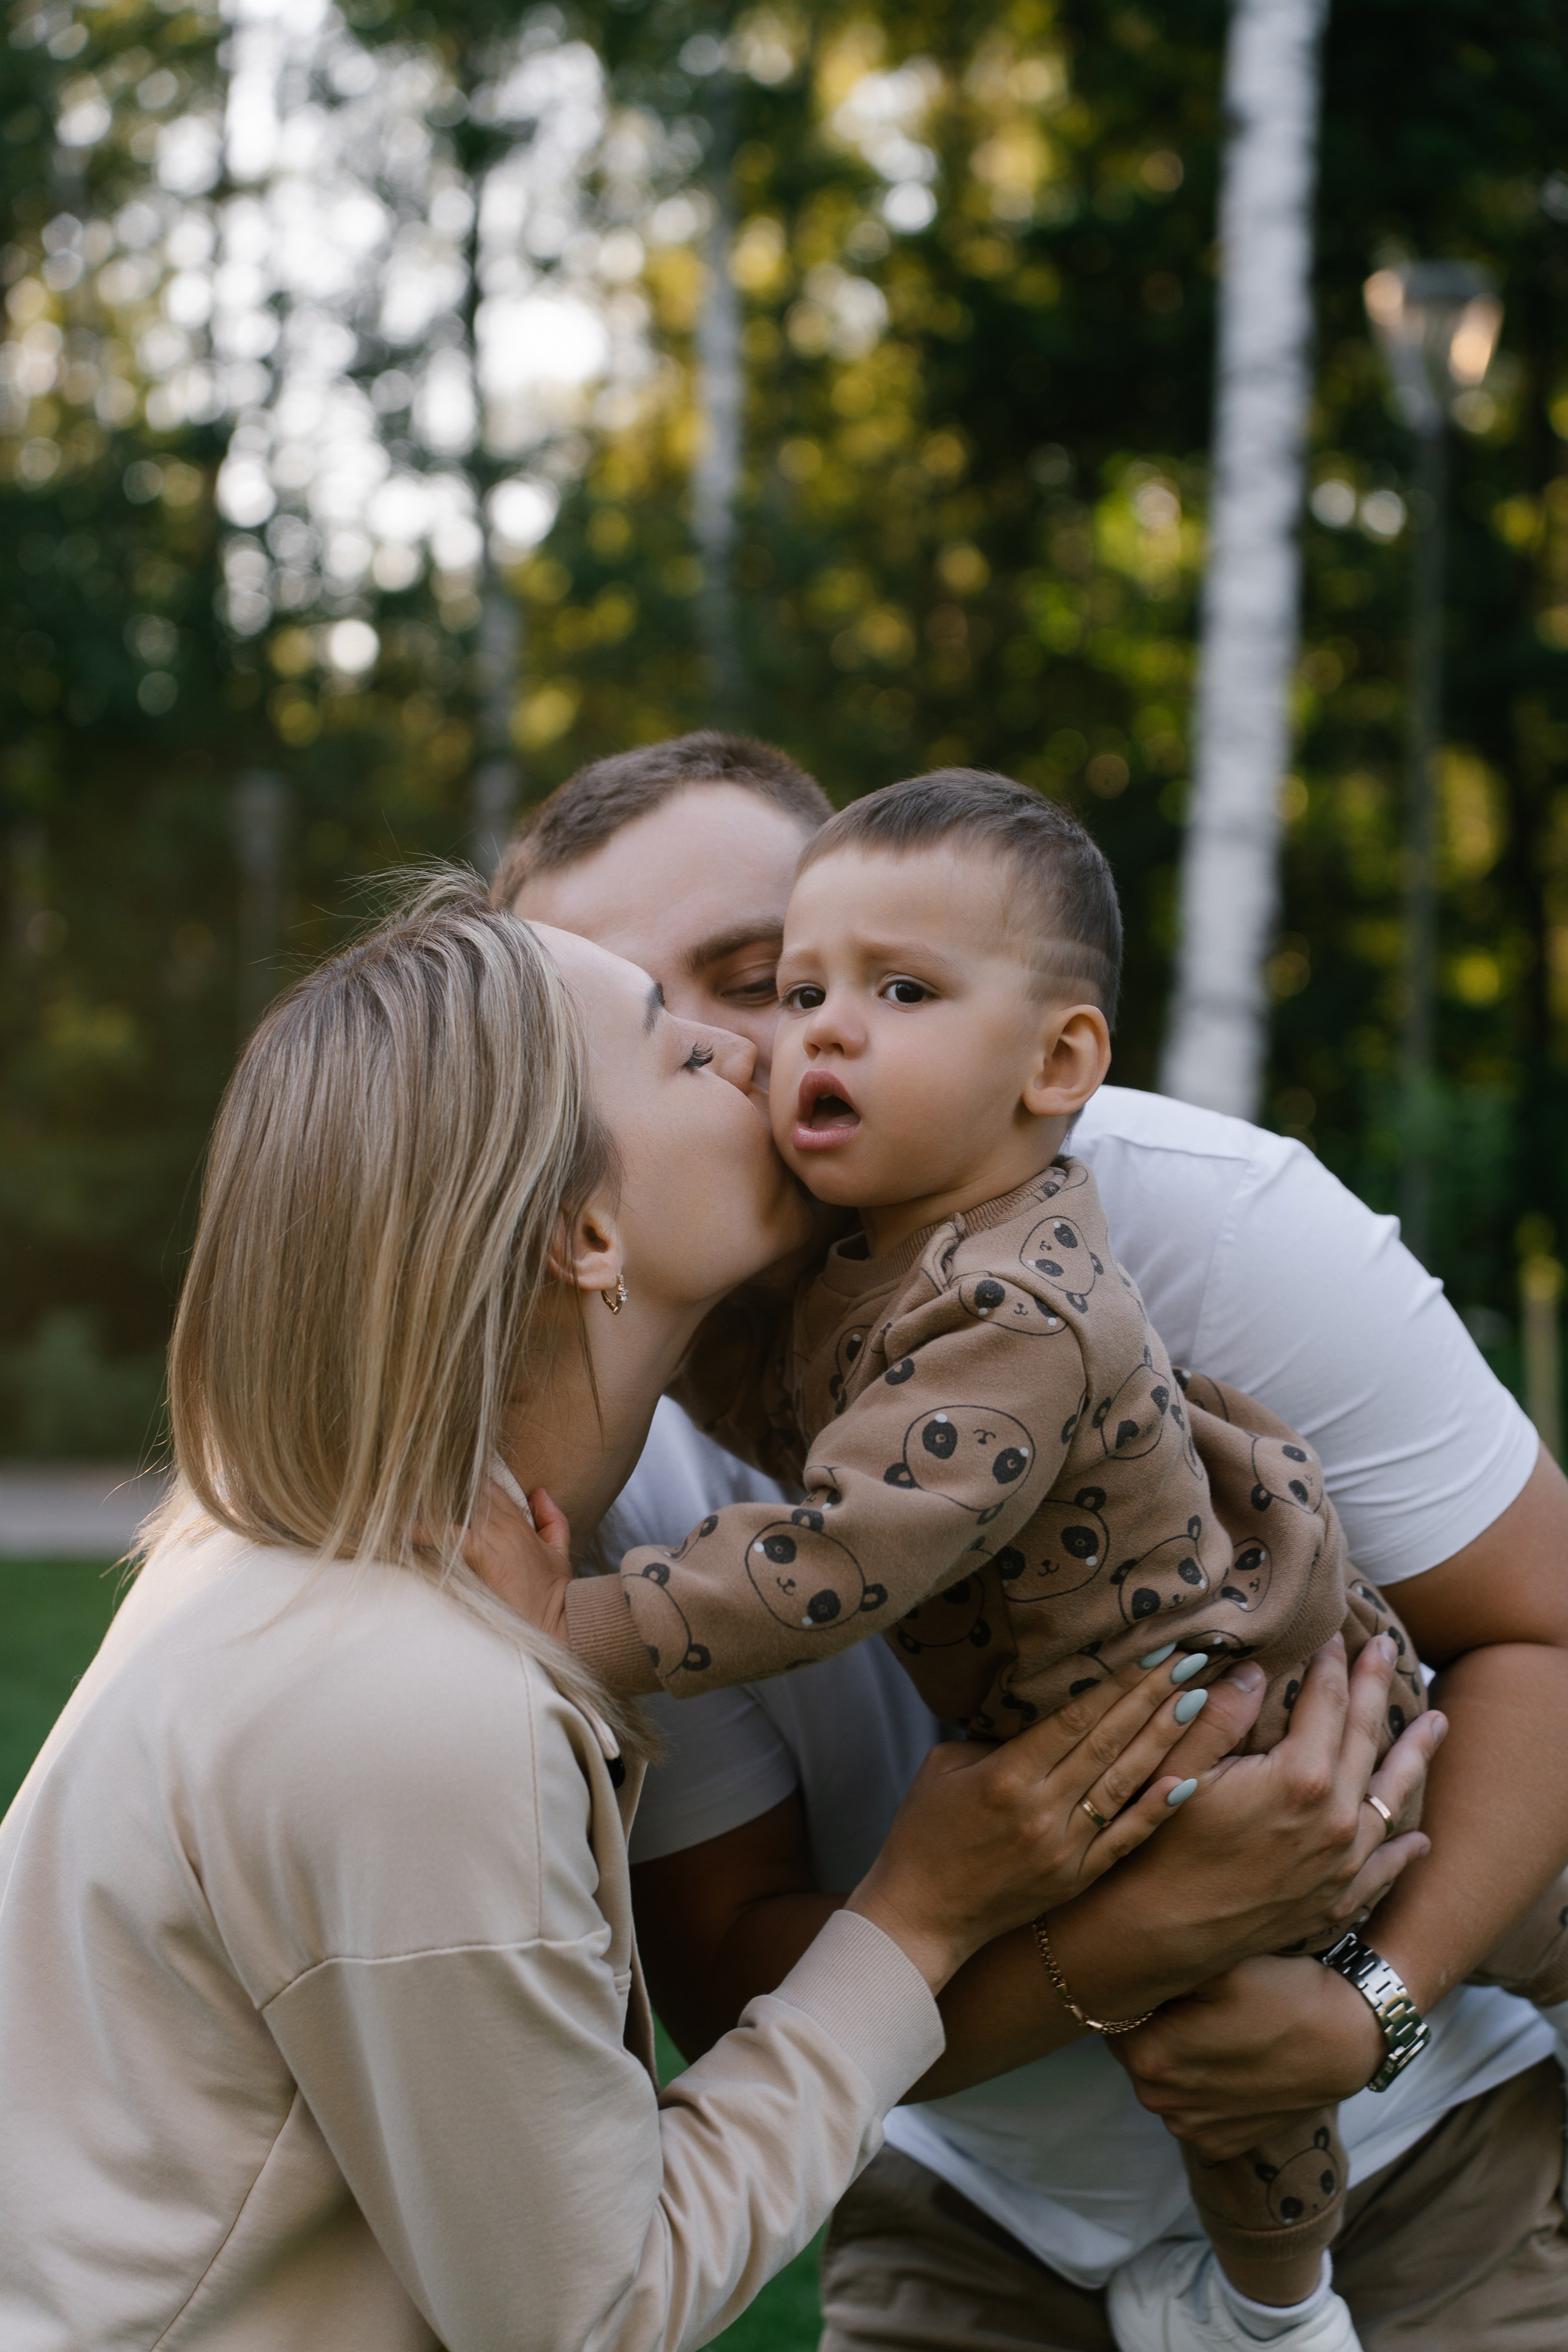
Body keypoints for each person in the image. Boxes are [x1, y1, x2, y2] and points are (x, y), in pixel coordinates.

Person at [0, 879, 1421, 2352]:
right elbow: (591, 2310)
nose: (755, 1048)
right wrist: (916, 1915)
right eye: (680, 1047)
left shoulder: (289, 1562)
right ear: (582, 1234)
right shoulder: (416, 1702)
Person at [498, 731, 1568, 2352]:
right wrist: (1117, 1942)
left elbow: (1546, 1633)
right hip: (961, 2196)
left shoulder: (1204, 1223)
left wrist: (1374, 2014)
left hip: (1419, 2169)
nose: (751, 1050)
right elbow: (726, 1984)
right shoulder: (603, 1442)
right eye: (648, 1012)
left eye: (767, 974)